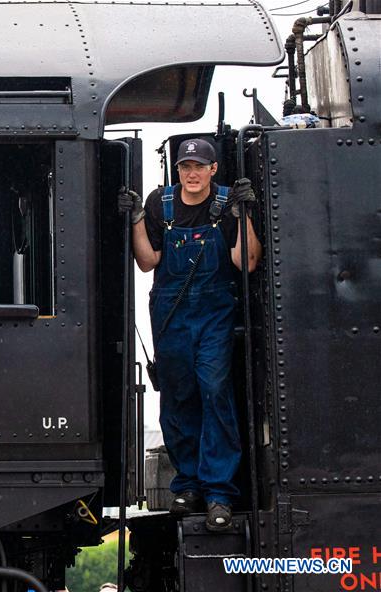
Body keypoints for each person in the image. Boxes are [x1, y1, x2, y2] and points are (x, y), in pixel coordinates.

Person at [118, 138, 262, 532]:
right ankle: (188, 486)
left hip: (214, 313)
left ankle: (219, 492)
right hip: (172, 315)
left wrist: (244, 214)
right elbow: (148, 262)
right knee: (178, 397)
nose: (192, 174)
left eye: (200, 166)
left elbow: (245, 262)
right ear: (177, 170)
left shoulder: (228, 202)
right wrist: (134, 221)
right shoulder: (160, 203)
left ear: (214, 169)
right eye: (185, 167)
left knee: (215, 391)